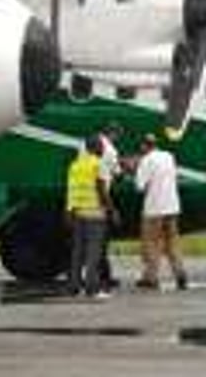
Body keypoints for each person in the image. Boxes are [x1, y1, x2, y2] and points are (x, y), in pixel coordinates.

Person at [134, 134, 189, 291]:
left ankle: (151, 277)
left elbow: (139, 186)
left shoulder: (146, 160)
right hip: (172, 206)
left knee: (151, 243)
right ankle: (180, 274)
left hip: (154, 208)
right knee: (172, 242)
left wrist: (135, 168)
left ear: (144, 146)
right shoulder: (168, 157)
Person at [65, 135, 116, 299]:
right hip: (95, 213)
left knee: (77, 252)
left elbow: (71, 190)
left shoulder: (75, 165)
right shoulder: (98, 164)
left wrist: (68, 211)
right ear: (95, 148)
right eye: (101, 146)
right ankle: (91, 288)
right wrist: (111, 210)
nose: (103, 148)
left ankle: (74, 287)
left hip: (78, 212)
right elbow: (101, 190)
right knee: (94, 253)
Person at [96, 122, 123, 289]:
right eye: (117, 136)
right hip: (99, 202)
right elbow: (116, 175)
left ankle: (78, 276)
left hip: (81, 199)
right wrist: (112, 209)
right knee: (100, 242)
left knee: (82, 243)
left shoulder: (85, 146)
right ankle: (103, 278)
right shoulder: (110, 150)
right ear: (112, 134)